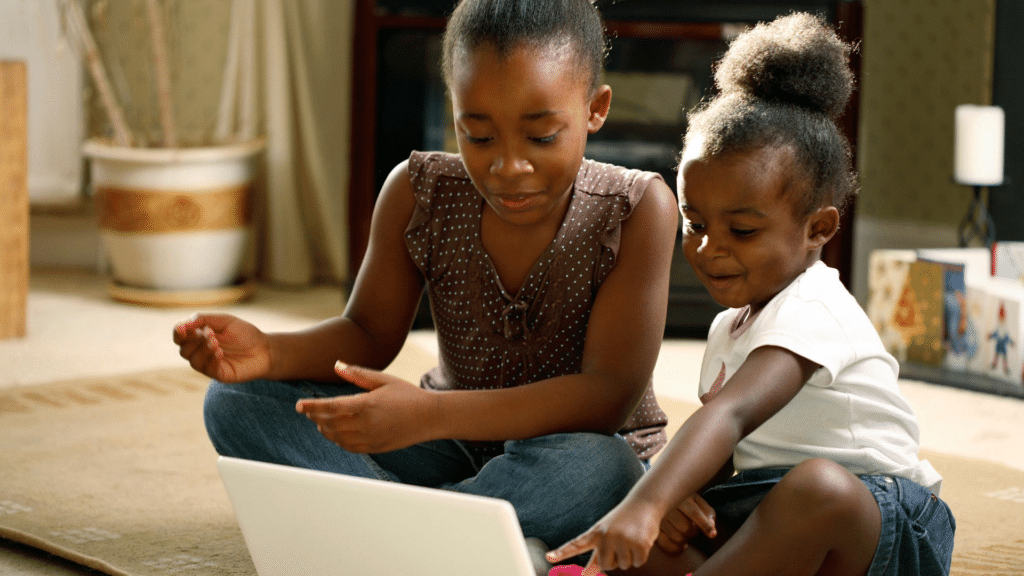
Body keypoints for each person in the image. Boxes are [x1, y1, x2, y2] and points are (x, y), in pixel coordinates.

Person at [173, 0, 679, 553]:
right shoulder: (420, 193)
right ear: (453, 111)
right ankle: (438, 542)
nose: (509, 167)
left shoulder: (635, 209)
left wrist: (428, 415)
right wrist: (270, 352)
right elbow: (367, 333)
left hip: (565, 450)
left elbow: (606, 396)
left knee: (607, 470)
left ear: (594, 109)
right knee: (236, 399)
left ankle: (380, 535)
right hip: (448, 441)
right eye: (479, 136)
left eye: (541, 137)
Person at [546, 12, 955, 576]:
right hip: (763, 511)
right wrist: (665, 504)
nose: (710, 249)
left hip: (883, 526)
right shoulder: (726, 329)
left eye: (742, 231)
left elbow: (734, 415)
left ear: (818, 229)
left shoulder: (813, 306)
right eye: (695, 223)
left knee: (816, 489)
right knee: (657, 530)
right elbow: (722, 458)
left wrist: (646, 500)